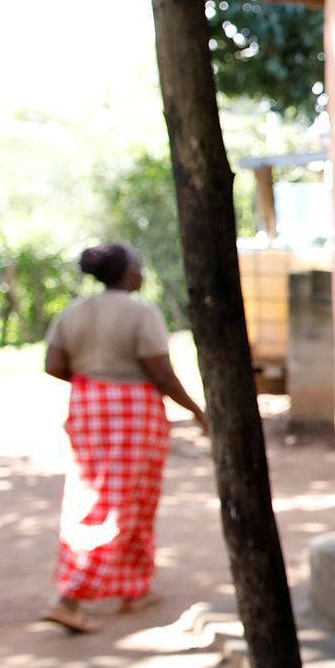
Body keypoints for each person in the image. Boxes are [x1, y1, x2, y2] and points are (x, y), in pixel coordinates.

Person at [40, 243, 207, 634]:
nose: (142, 272)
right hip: (132, 410)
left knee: (108, 495)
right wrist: (197, 412)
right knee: (119, 502)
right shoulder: (140, 313)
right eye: (138, 266)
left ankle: (134, 588)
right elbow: (161, 374)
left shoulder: (73, 312)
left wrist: (94, 383)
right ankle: (69, 598)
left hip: (87, 405)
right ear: (127, 274)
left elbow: (53, 365)